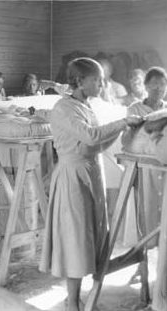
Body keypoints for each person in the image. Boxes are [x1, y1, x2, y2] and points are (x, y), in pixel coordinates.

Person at [39, 57, 143, 311]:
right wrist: (122, 122)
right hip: (72, 176)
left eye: (101, 79)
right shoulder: (63, 108)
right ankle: (72, 301)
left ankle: (79, 296)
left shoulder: (87, 106)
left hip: (92, 172)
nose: (101, 83)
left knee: (91, 237)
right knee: (75, 238)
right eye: (96, 79)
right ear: (79, 81)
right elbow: (89, 135)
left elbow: (97, 145)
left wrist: (121, 130)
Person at [122, 66, 167, 249]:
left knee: (161, 213)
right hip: (143, 167)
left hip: (162, 167)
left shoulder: (166, 109)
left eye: (163, 85)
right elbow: (126, 140)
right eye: (154, 84)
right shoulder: (136, 108)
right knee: (145, 211)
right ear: (146, 86)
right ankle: (142, 261)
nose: (159, 89)